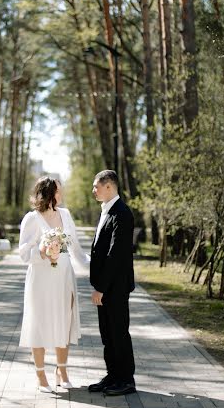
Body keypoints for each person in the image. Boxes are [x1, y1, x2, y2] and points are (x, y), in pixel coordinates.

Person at [18, 176, 90, 393]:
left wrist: (94, 268)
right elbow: (23, 253)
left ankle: (62, 370)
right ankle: (41, 375)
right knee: (39, 323)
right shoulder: (32, 218)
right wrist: (42, 252)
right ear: (48, 193)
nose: (62, 194)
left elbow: (76, 248)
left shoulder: (66, 215)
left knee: (64, 322)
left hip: (65, 276)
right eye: (58, 191)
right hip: (41, 278)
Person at [88, 169, 136, 396]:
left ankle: (126, 380)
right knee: (107, 334)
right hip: (105, 287)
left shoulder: (122, 213)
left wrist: (100, 287)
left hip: (115, 287)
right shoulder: (106, 211)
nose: (93, 190)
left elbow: (115, 255)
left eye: (96, 186)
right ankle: (113, 375)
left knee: (118, 333)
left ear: (109, 186)